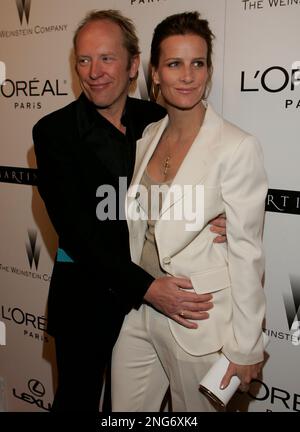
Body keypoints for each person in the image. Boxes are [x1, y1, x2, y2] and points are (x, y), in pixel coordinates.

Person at [33, 10, 226, 412]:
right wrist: (148, 288)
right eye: (84, 60)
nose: (94, 71)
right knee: (78, 402)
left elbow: (195, 181)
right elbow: (78, 234)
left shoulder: (159, 120)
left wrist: (218, 214)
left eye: (106, 58)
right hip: (89, 298)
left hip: (154, 303)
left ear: (134, 64)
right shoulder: (54, 133)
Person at [111, 11, 268, 412]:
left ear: (209, 70)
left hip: (197, 318)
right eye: (174, 63)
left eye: (197, 63)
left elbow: (248, 252)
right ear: (155, 72)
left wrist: (246, 346)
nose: (187, 76)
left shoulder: (236, 146)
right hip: (139, 309)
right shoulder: (147, 136)